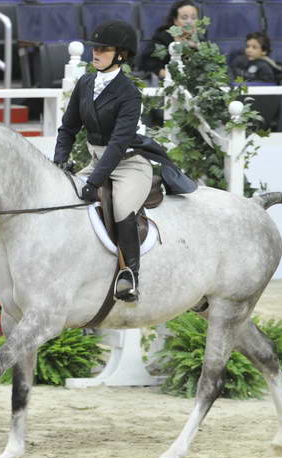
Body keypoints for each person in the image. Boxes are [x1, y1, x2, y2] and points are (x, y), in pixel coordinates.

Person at [54, 20, 197, 303]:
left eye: (103, 49)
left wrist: (94, 181)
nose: (95, 54)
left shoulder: (129, 92)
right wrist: (58, 162)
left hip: (129, 164)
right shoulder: (85, 83)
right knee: (64, 196)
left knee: (120, 208)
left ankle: (130, 275)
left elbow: (118, 145)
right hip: (98, 160)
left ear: (120, 54)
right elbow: (68, 128)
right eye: (95, 48)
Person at [140, 0, 200, 80]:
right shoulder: (163, 38)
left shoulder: (200, 40)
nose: (189, 22)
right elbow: (151, 65)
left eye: (193, 18)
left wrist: (198, 47)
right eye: (184, 18)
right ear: (175, 20)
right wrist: (172, 78)